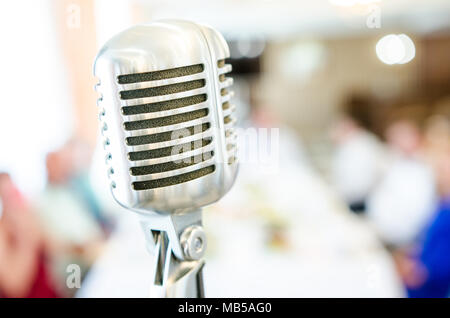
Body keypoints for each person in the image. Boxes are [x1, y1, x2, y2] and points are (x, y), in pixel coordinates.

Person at [0, 173, 60, 298]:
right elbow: (15, 287)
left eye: (13, 192)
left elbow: (54, 250)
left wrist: (33, 221)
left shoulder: (28, 215)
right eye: (5, 196)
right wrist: (24, 237)